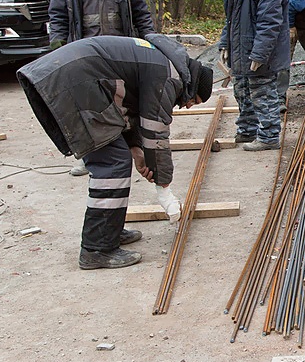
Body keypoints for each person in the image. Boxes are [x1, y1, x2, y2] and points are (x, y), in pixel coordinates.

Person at [17, 35, 213, 270]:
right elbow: (156, 133)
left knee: (116, 156)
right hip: (73, 82)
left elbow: (127, 109)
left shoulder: (161, 63)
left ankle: (109, 231)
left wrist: (136, 149)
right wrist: (164, 185)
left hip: (73, 79)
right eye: (194, 100)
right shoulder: (168, 75)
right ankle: (97, 249)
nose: (188, 106)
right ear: (192, 85)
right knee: (112, 163)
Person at [48, 0, 155, 176]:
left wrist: (150, 42)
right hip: (83, 54)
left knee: (124, 102)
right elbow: (58, 17)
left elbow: (141, 13)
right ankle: (87, 156)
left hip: (119, 53)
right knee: (86, 106)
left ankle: (132, 147)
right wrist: (58, 50)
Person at [217, 0, 289, 152]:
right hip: (240, 50)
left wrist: (259, 55)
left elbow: (270, 24)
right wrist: (224, 44)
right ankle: (247, 130)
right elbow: (231, 19)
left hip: (260, 53)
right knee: (242, 92)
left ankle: (268, 136)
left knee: (262, 93)